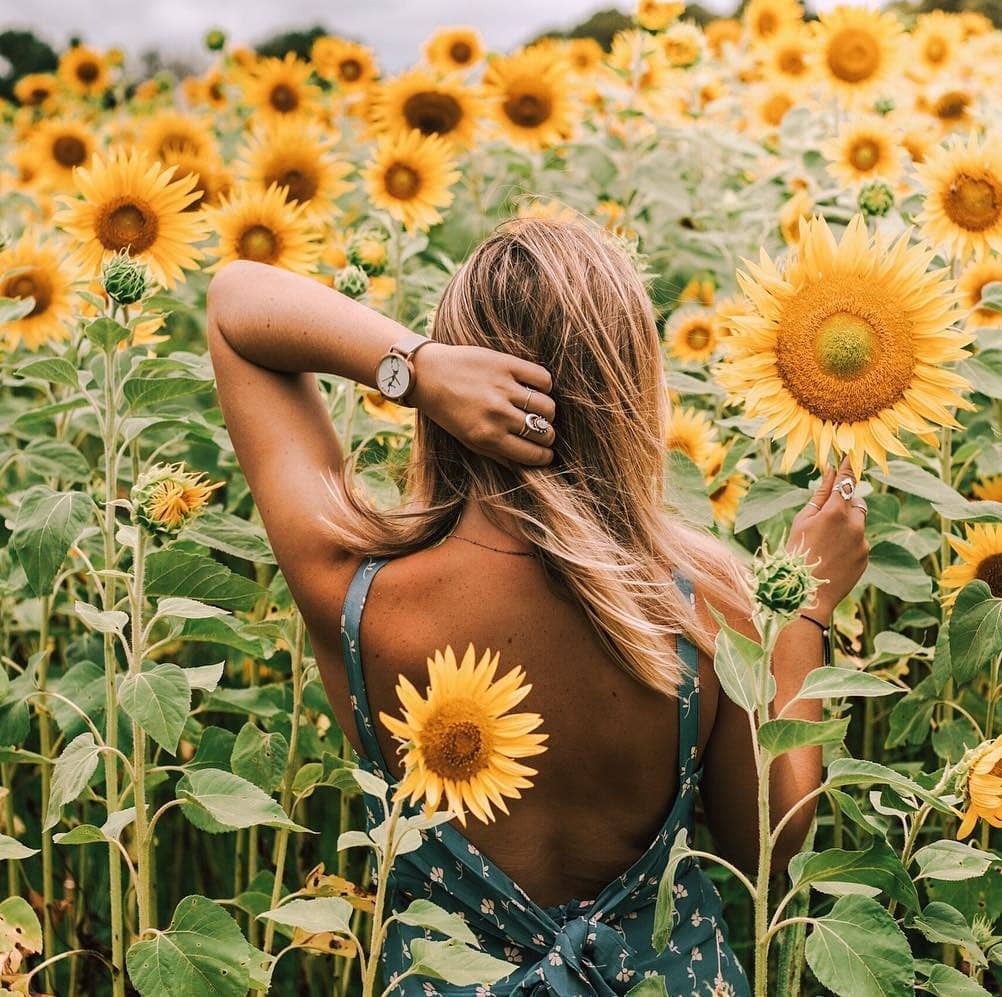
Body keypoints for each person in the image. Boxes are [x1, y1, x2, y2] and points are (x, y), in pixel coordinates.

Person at [207, 216, 869, 996]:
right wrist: (808, 610)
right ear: (630, 387)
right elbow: (771, 850)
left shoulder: (357, 594)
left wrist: (416, 367)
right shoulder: (699, 605)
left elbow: (234, 302)